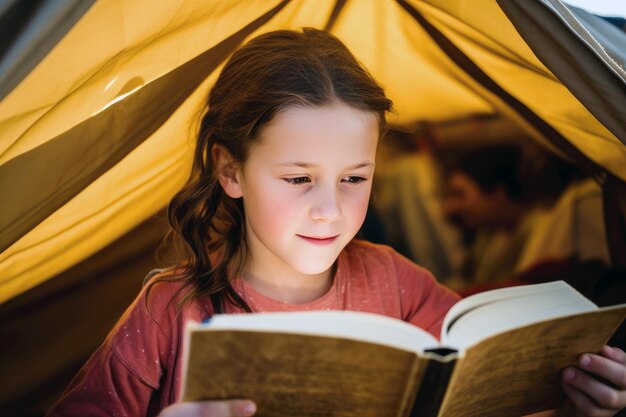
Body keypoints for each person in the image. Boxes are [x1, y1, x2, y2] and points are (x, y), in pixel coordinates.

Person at [46, 28, 626, 417]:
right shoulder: (169, 312)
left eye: (355, 177)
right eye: (298, 179)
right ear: (230, 170)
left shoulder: (397, 283)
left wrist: (571, 401)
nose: (331, 209)